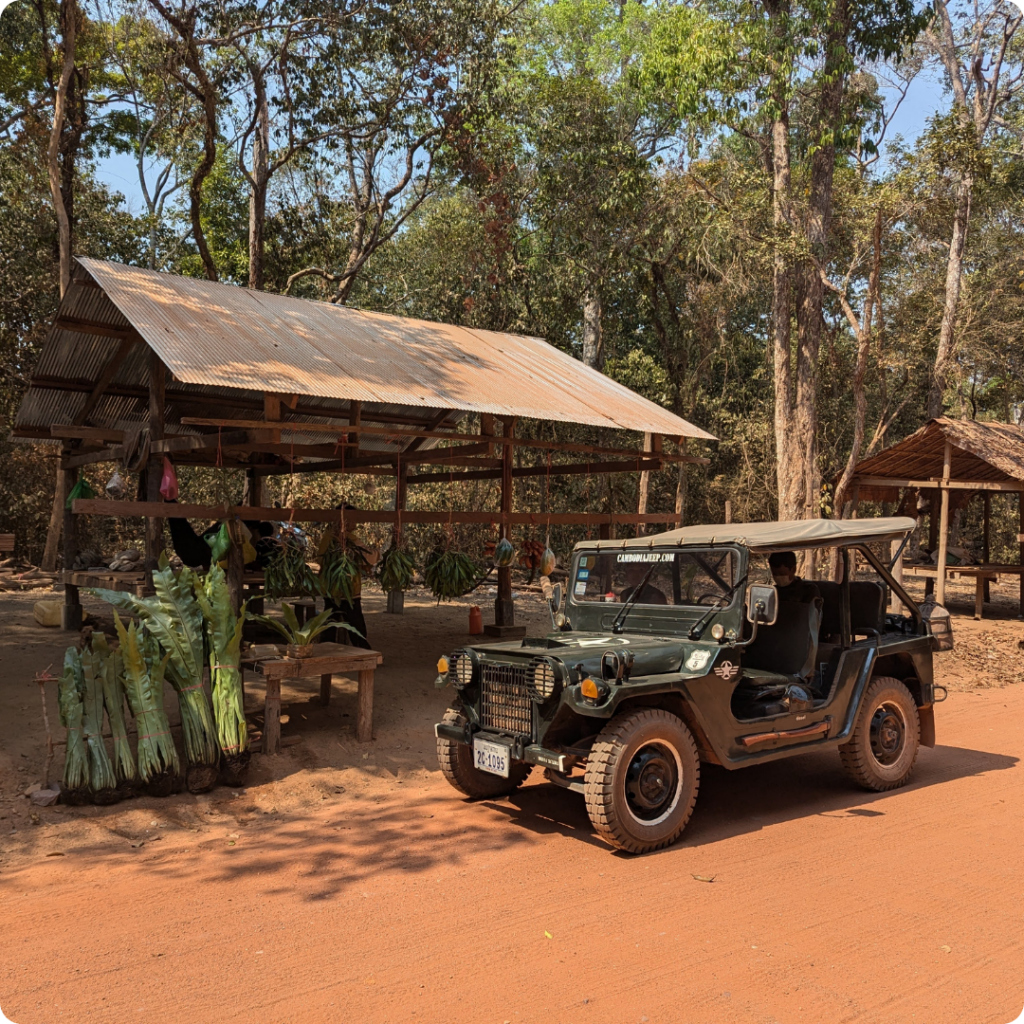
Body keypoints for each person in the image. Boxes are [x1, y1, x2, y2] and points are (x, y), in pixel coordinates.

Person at [322, 504, 378, 650]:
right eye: (354, 519)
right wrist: (376, 553)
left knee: (329, 622)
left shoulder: (327, 537)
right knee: (356, 625)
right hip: (349, 590)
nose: (356, 522)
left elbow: (320, 559)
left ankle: (325, 651)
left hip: (329, 589)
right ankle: (363, 651)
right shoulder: (349, 539)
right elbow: (369, 558)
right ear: (345, 520)